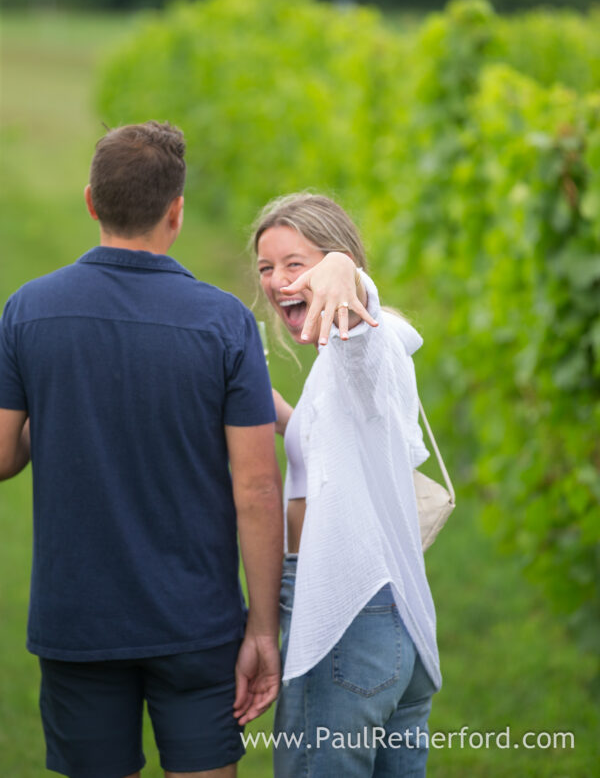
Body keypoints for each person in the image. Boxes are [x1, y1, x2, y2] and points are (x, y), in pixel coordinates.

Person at [0, 121, 283, 778]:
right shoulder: (224, 323)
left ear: (91, 200)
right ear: (176, 212)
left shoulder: (27, 311)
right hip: (199, 624)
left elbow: (3, 456)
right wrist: (262, 631)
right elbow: (257, 488)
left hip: (78, 623)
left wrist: (61, 408)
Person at [252, 192, 441, 777]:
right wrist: (281, 414)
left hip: (344, 616)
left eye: (296, 263)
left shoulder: (362, 340)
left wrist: (345, 272)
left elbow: (363, 331)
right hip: (394, 624)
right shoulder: (351, 361)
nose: (279, 281)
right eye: (266, 267)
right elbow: (342, 439)